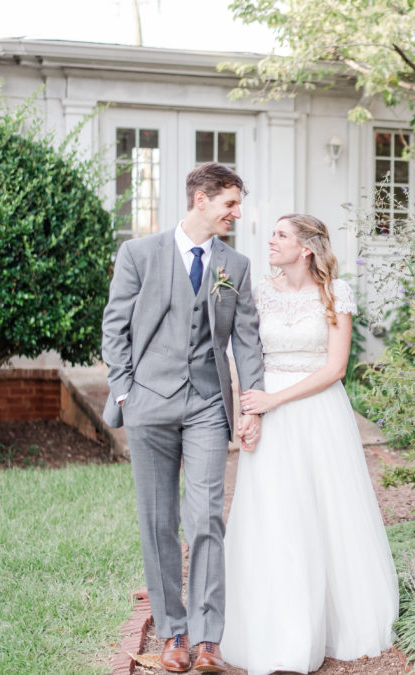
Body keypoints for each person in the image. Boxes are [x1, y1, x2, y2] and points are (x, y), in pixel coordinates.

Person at [102, 163, 265, 673]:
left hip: (207, 407)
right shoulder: (138, 254)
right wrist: (125, 393)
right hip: (148, 403)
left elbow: (246, 337)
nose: (236, 215)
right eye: (230, 205)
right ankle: (173, 635)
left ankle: (209, 641)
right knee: (158, 522)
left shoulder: (233, 265)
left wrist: (252, 400)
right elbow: (115, 327)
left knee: (205, 518)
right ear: (201, 199)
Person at [222, 214, 399, 674]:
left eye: (281, 235)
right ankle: (276, 628)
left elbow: (335, 368)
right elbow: (246, 353)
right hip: (268, 413)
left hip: (317, 412)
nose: (271, 242)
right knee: (273, 515)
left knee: (323, 513)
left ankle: (326, 624)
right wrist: (250, 410)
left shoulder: (334, 293)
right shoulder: (260, 290)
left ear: (305, 248)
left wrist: (274, 401)